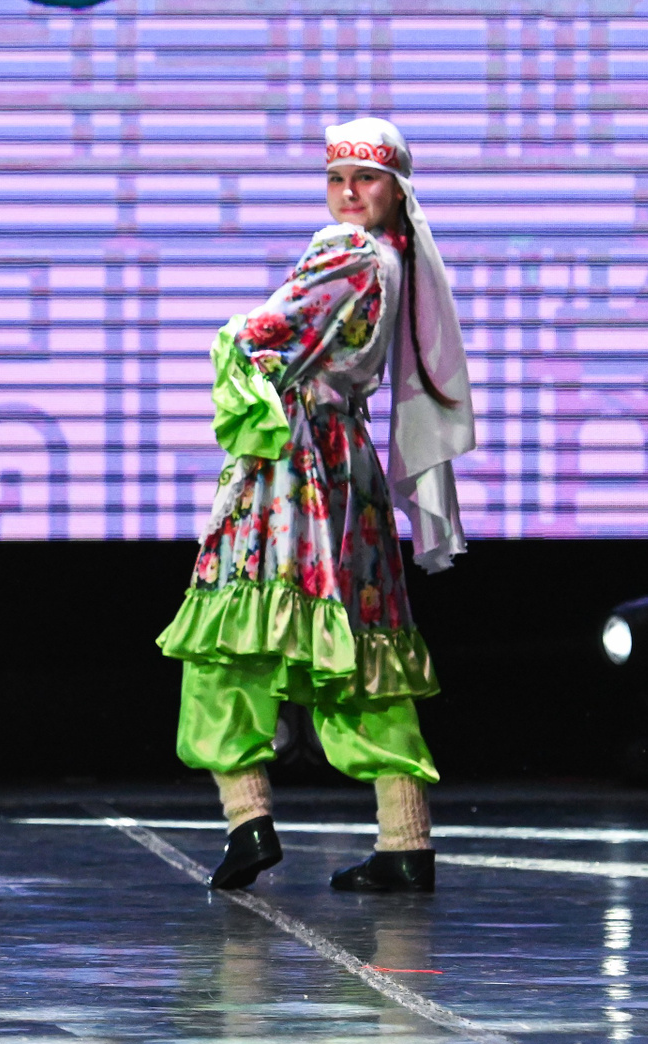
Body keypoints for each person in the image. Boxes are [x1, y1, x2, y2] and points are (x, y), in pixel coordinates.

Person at [158, 117, 476, 894]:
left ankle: (249, 820)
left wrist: (232, 338)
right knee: (358, 643)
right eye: (337, 179)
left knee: (229, 638)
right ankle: (405, 840)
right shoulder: (394, 260)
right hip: (340, 457)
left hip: (296, 461)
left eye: (365, 179)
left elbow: (270, 335)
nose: (348, 192)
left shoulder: (352, 252)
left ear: (396, 189)